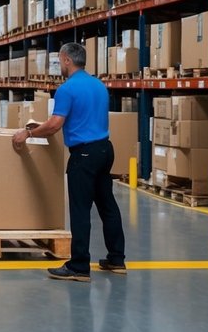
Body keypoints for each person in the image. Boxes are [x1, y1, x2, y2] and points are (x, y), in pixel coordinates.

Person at [12, 42, 125, 282]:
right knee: (108, 206)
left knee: (80, 210)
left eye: (59, 60)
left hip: (83, 155)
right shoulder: (98, 85)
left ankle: (79, 266)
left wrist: (28, 133)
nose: (59, 65)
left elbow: (54, 125)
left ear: (66, 60)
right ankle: (117, 258)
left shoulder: (67, 89)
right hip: (105, 149)